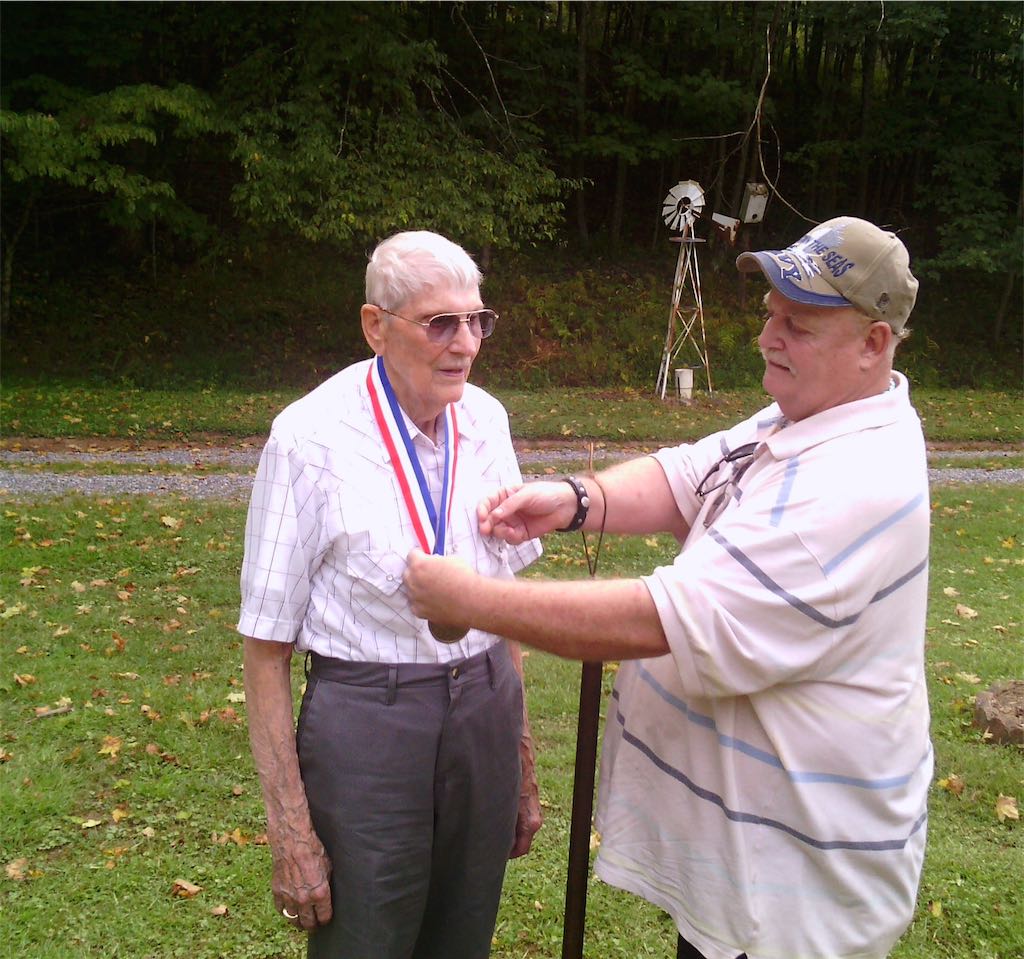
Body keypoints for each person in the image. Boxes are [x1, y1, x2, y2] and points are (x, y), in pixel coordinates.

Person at [405, 217, 932, 959]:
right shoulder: (807, 415)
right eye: (770, 314)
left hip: (794, 896)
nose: (767, 338)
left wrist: (473, 601)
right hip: (751, 868)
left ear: (874, 343)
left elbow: (660, 617)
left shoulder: (853, 485)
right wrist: (577, 498)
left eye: (799, 324)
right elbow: (689, 473)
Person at [239, 230, 543, 959]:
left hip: (485, 708)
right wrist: (289, 826)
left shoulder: (487, 419)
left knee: (464, 933)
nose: (465, 343)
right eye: (441, 323)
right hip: (368, 723)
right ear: (377, 325)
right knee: (365, 940)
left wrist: (522, 758)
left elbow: (501, 600)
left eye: (477, 320)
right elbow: (264, 646)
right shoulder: (307, 437)